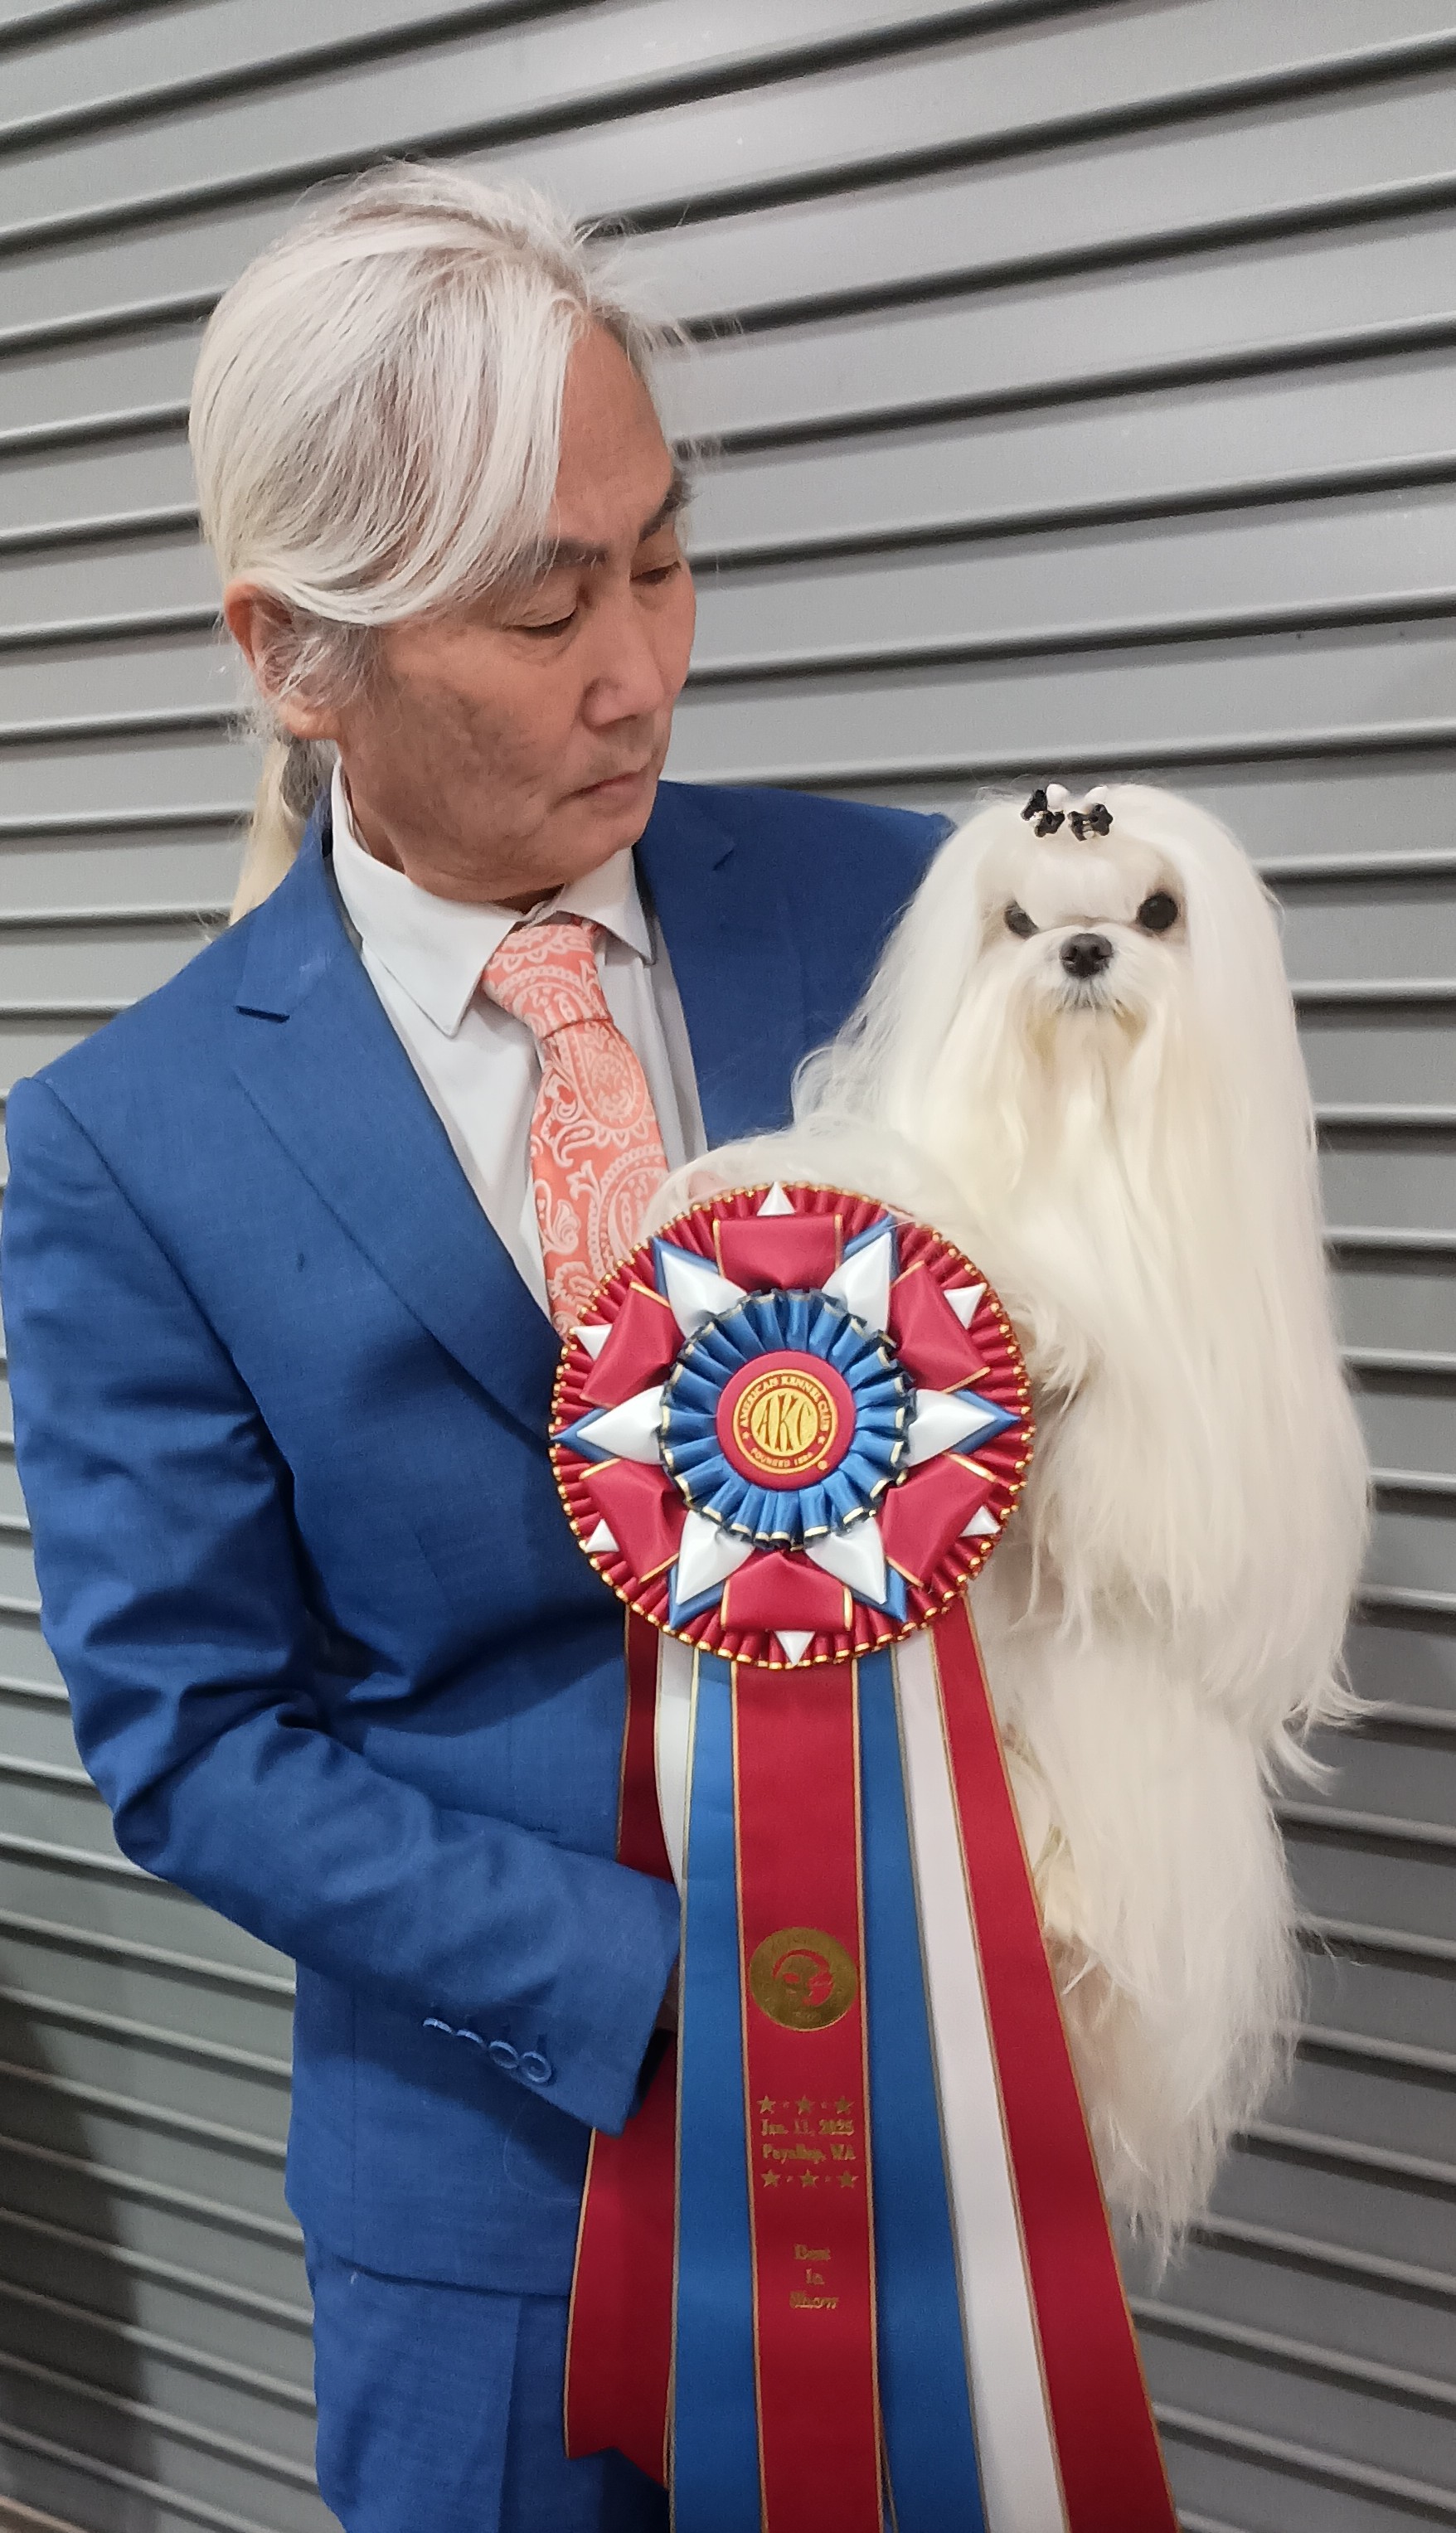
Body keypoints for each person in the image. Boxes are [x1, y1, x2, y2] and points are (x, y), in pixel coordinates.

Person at [0, 165, 951, 2533]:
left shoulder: (910, 920)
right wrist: (669, 1977)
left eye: (659, 559)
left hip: (956, 2108)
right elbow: (194, 1740)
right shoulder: (128, 1145)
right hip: (493, 2207)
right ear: (291, 652)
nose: (639, 669)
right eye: (541, 609)